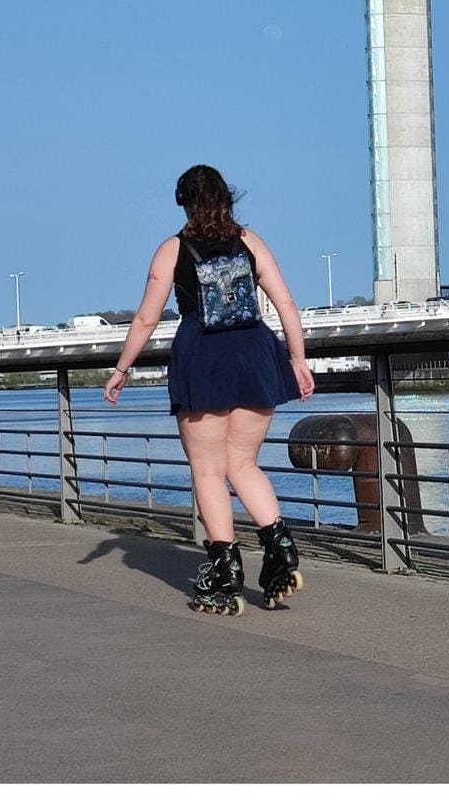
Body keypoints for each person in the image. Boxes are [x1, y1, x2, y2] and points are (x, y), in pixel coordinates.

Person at [102, 164, 315, 616]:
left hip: (203, 358)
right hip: (256, 353)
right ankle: (279, 548)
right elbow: (286, 302)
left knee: (207, 470)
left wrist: (122, 369)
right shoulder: (250, 241)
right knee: (243, 463)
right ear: (227, 198)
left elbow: (145, 318)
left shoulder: (171, 250)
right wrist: (297, 360)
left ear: (184, 202)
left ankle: (224, 572)